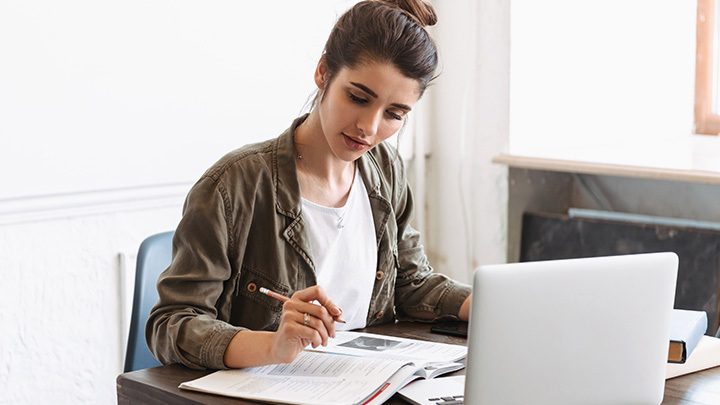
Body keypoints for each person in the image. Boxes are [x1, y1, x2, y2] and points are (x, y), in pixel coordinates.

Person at [147, 0, 472, 371]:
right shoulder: (233, 187)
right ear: (322, 73)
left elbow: (412, 283)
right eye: (357, 98)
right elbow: (171, 323)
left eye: (394, 114)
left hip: (360, 384)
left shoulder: (386, 170)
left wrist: (490, 305)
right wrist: (271, 346)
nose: (369, 126)